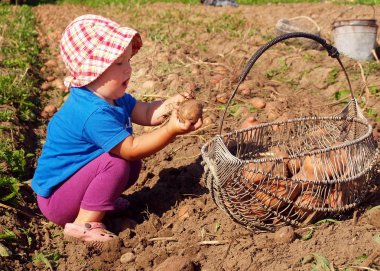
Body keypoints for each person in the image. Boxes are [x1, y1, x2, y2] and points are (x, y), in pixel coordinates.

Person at [31, 14, 202, 244]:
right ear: (93, 72)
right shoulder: (92, 113)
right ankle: (83, 223)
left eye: (128, 61)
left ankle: (100, 203)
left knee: (131, 164)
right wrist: (170, 129)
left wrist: (172, 104)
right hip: (57, 200)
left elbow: (145, 112)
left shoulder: (112, 96)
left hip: (72, 186)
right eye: (119, 63)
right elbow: (131, 149)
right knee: (119, 162)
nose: (128, 69)